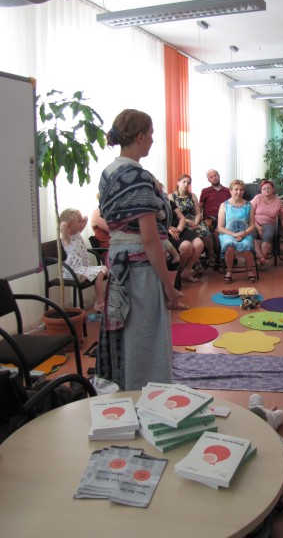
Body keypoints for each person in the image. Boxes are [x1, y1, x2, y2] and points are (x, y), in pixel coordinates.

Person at [96, 108, 182, 391]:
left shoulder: (107, 174)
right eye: (152, 134)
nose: (153, 140)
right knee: (145, 336)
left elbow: (118, 225)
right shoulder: (138, 177)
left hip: (118, 265)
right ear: (141, 136)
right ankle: (147, 395)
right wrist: (169, 286)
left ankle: (124, 391)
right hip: (140, 271)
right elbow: (148, 239)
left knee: (126, 334)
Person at [59, 208, 108, 313]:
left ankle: (101, 301)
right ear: (69, 224)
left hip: (83, 268)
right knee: (100, 273)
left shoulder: (77, 233)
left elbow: (85, 218)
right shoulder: (67, 238)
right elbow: (63, 225)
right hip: (74, 271)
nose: (82, 223)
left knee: (105, 269)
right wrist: (67, 224)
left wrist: (78, 220)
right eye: (79, 222)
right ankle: (100, 302)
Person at [170, 174, 215, 267]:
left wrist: (195, 223)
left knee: (206, 232)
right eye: (184, 182)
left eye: (188, 183)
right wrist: (187, 221)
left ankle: (211, 254)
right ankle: (196, 261)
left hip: (195, 221)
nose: (186, 184)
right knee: (191, 235)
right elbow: (175, 216)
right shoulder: (171, 196)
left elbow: (198, 213)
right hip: (181, 222)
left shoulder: (192, 195)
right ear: (178, 183)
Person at [218, 179, 256, 283]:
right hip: (228, 233)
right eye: (236, 189)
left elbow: (252, 225)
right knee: (229, 245)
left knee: (247, 244)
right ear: (230, 191)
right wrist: (234, 234)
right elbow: (220, 227)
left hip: (245, 233)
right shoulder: (224, 205)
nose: (238, 192)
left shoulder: (248, 205)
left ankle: (250, 270)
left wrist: (243, 234)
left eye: (241, 190)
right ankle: (229, 270)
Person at [251, 180, 283, 265]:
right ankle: (261, 258)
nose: (266, 190)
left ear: (273, 189)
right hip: (254, 222)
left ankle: (261, 259)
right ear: (261, 190)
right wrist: (257, 226)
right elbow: (250, 214)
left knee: (268, 236)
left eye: (269, 188)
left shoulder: (278, 201)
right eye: (264, 189)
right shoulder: (257, 198)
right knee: (252, 235)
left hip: (269, 223)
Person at [167, 198, 205, 282]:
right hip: (165, 231)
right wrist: (168, 228)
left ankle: (186, 272)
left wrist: (179, 229)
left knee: (199, 244)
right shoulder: (152, 203)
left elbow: (182, 218)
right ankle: (177, 272)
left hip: (178, 228)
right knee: (186, 247)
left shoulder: (168, 201)